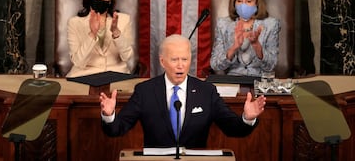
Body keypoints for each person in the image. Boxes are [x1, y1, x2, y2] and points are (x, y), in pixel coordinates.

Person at [99, 34, 266, 148]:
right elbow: (117, 129)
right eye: (174, 59)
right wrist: (109, 115)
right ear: (163, 61)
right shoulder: (145, 91)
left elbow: (232, 128)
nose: (180, 65)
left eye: (185, 59)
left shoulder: (206, 91)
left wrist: (247, 119)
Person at [66, 0, 135, 77]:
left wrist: (116, 33)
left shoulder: (124, 20)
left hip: (116, 75)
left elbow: (127, 56)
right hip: (84, 76)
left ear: (110, 0)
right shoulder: (74, 23)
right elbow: (78, 62)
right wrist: (92, 34)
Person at [210, 0, 280, 77]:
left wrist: (257, 46)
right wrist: (234, 47)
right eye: (239, 0)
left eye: (248, 1)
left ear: (257, 3)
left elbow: (271, 66)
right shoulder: (223, 24)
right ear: (234, 2)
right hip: (232, 81)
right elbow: (215, 65)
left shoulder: (271, 25)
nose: (243, 5)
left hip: (260, 81)